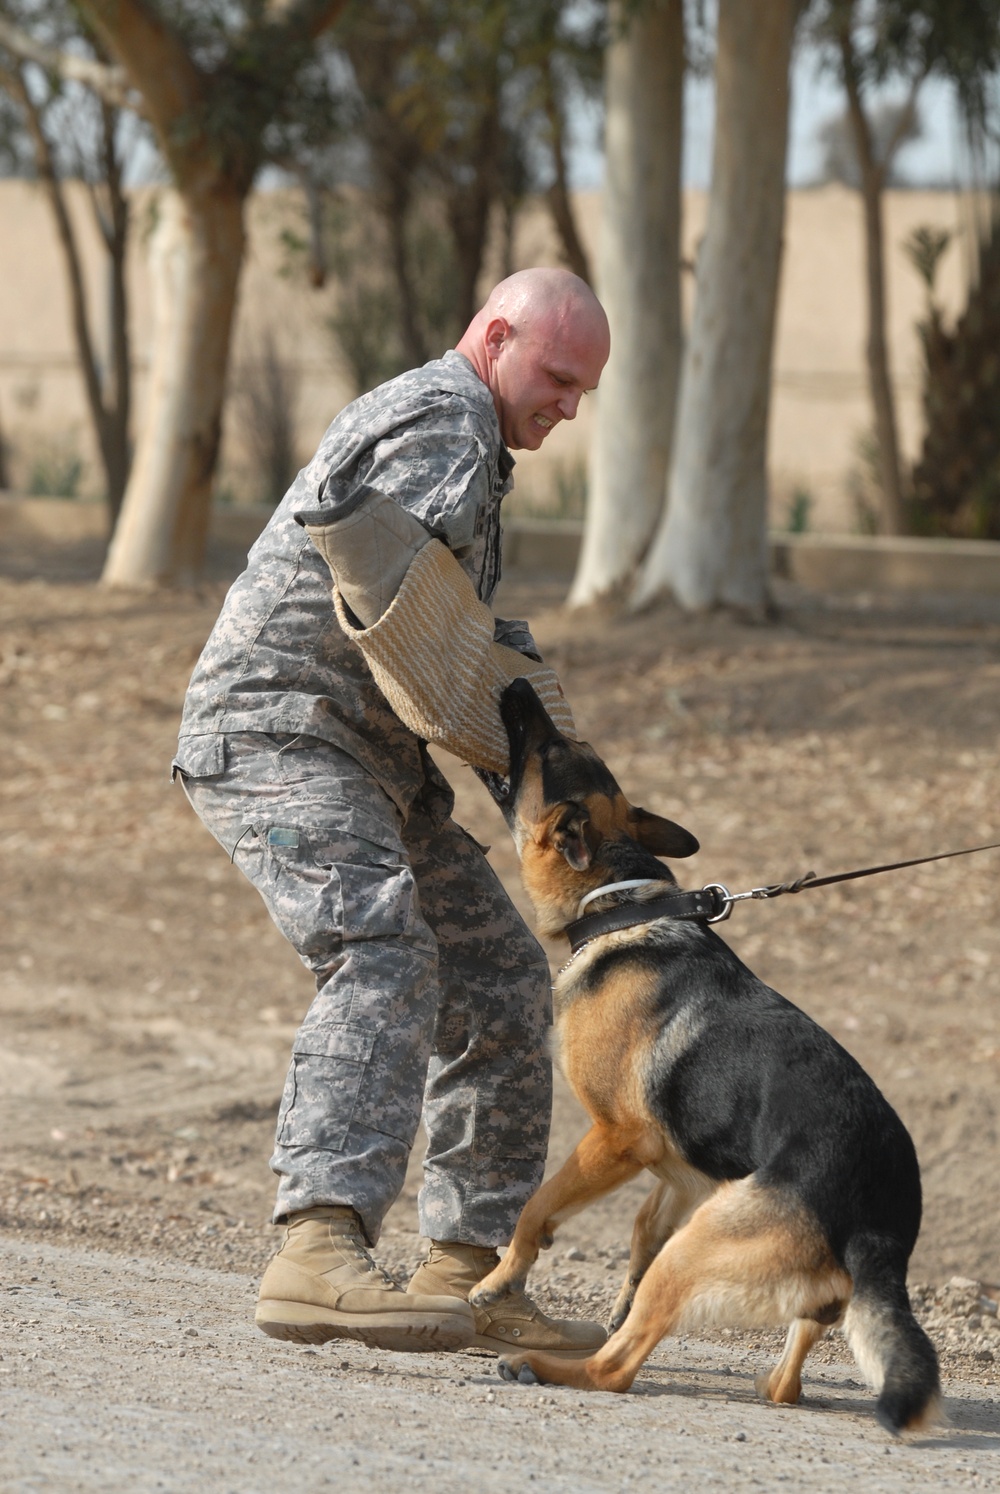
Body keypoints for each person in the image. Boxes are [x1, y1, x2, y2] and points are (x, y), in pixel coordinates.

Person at [172, 267, 611, 1356]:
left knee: (501, 979)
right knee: (381, 949)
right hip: (283, 728)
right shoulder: (446, 423)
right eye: (556, 376)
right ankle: (317, 1248)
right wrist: (532, 765)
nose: (566, 404)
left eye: (583, 390)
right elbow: (408, 619)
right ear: (496, 334)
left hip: (368, 755)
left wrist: (564, 785)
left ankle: (473, 1271)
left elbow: (452, 641)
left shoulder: (463, 435)